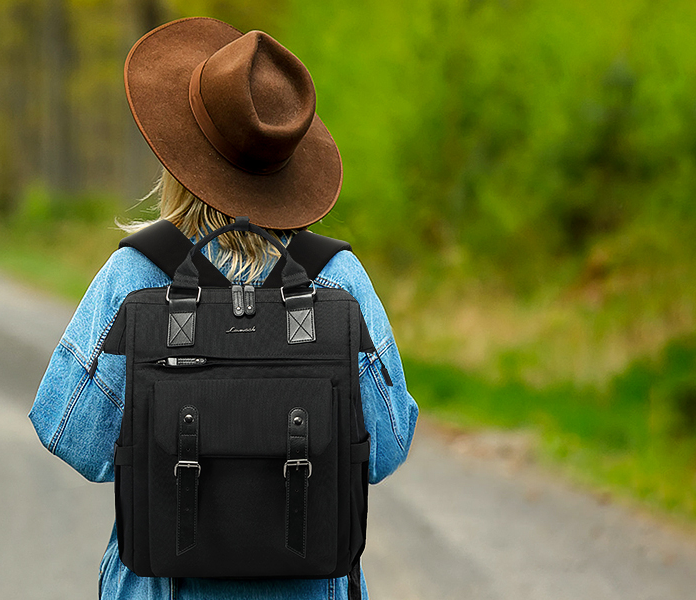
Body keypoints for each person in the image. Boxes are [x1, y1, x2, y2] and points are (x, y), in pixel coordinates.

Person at [29, 16, 418, 600]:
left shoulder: (137, 275)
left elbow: (74, 438)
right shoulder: (335, 279)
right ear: (288, 163)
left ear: (179, 156)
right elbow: (386, 448)